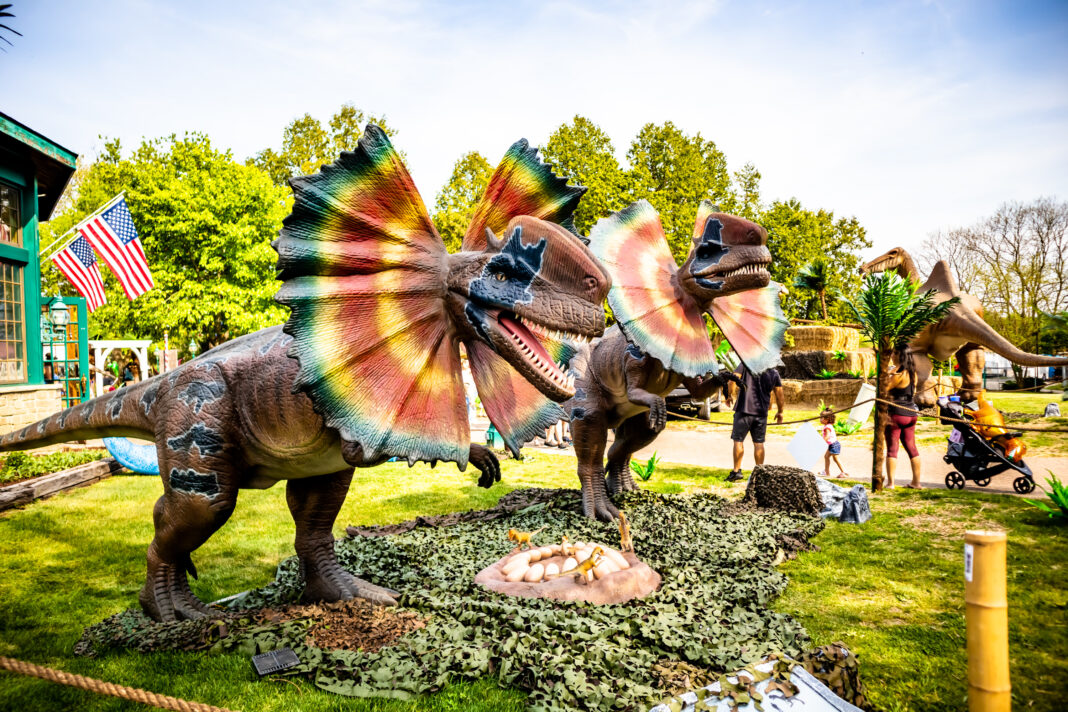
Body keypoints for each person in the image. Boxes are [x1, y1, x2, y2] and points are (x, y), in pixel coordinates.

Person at [725, 363, 785, 481]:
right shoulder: (774, 372)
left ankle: (736, 472)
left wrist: (729, 395)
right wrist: (780, 412)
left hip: (743, 410)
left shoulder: (745, 365)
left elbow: (732, 379)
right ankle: (759, 473)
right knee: (759, 443)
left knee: (738, 441)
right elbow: (779, 394)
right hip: (761, 413)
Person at [885, 343, 922, 489]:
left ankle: (891, 483)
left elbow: (883, 389)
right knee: (912, 448)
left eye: (894, 353)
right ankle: (916, 482)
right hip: (911, 413)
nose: (892, 355)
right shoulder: (913, 373)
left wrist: (888, 374)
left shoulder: (899, 374)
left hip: (896, 414)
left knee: (892, 449)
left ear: (900, 355)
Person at [819, 408, 847, 478]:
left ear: (827, 419)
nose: (820, 419)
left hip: (834, 445)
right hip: (832, 445)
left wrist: (822, 442)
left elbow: (827, 436)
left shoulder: (827, 427)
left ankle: (844, 472)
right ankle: (827, 472)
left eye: (821, 418)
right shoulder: (827, 426)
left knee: (836, 459)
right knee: (826, 456)